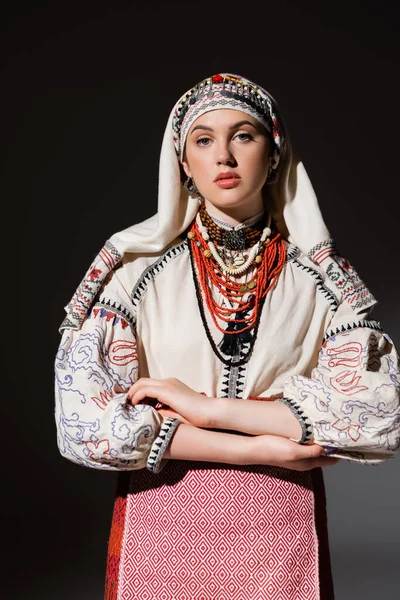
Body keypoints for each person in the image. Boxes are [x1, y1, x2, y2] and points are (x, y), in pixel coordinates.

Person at [54, 73, 400, 600]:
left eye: (243, 135)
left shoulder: (321, 279)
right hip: (164, 521)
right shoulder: (133, 273)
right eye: (203, 139)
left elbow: (376, 412)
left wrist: (204, 410)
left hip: (278, 527)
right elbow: (84, 423)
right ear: (183, 162)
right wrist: (267, 446)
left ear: (275, 153)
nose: (224, 157)